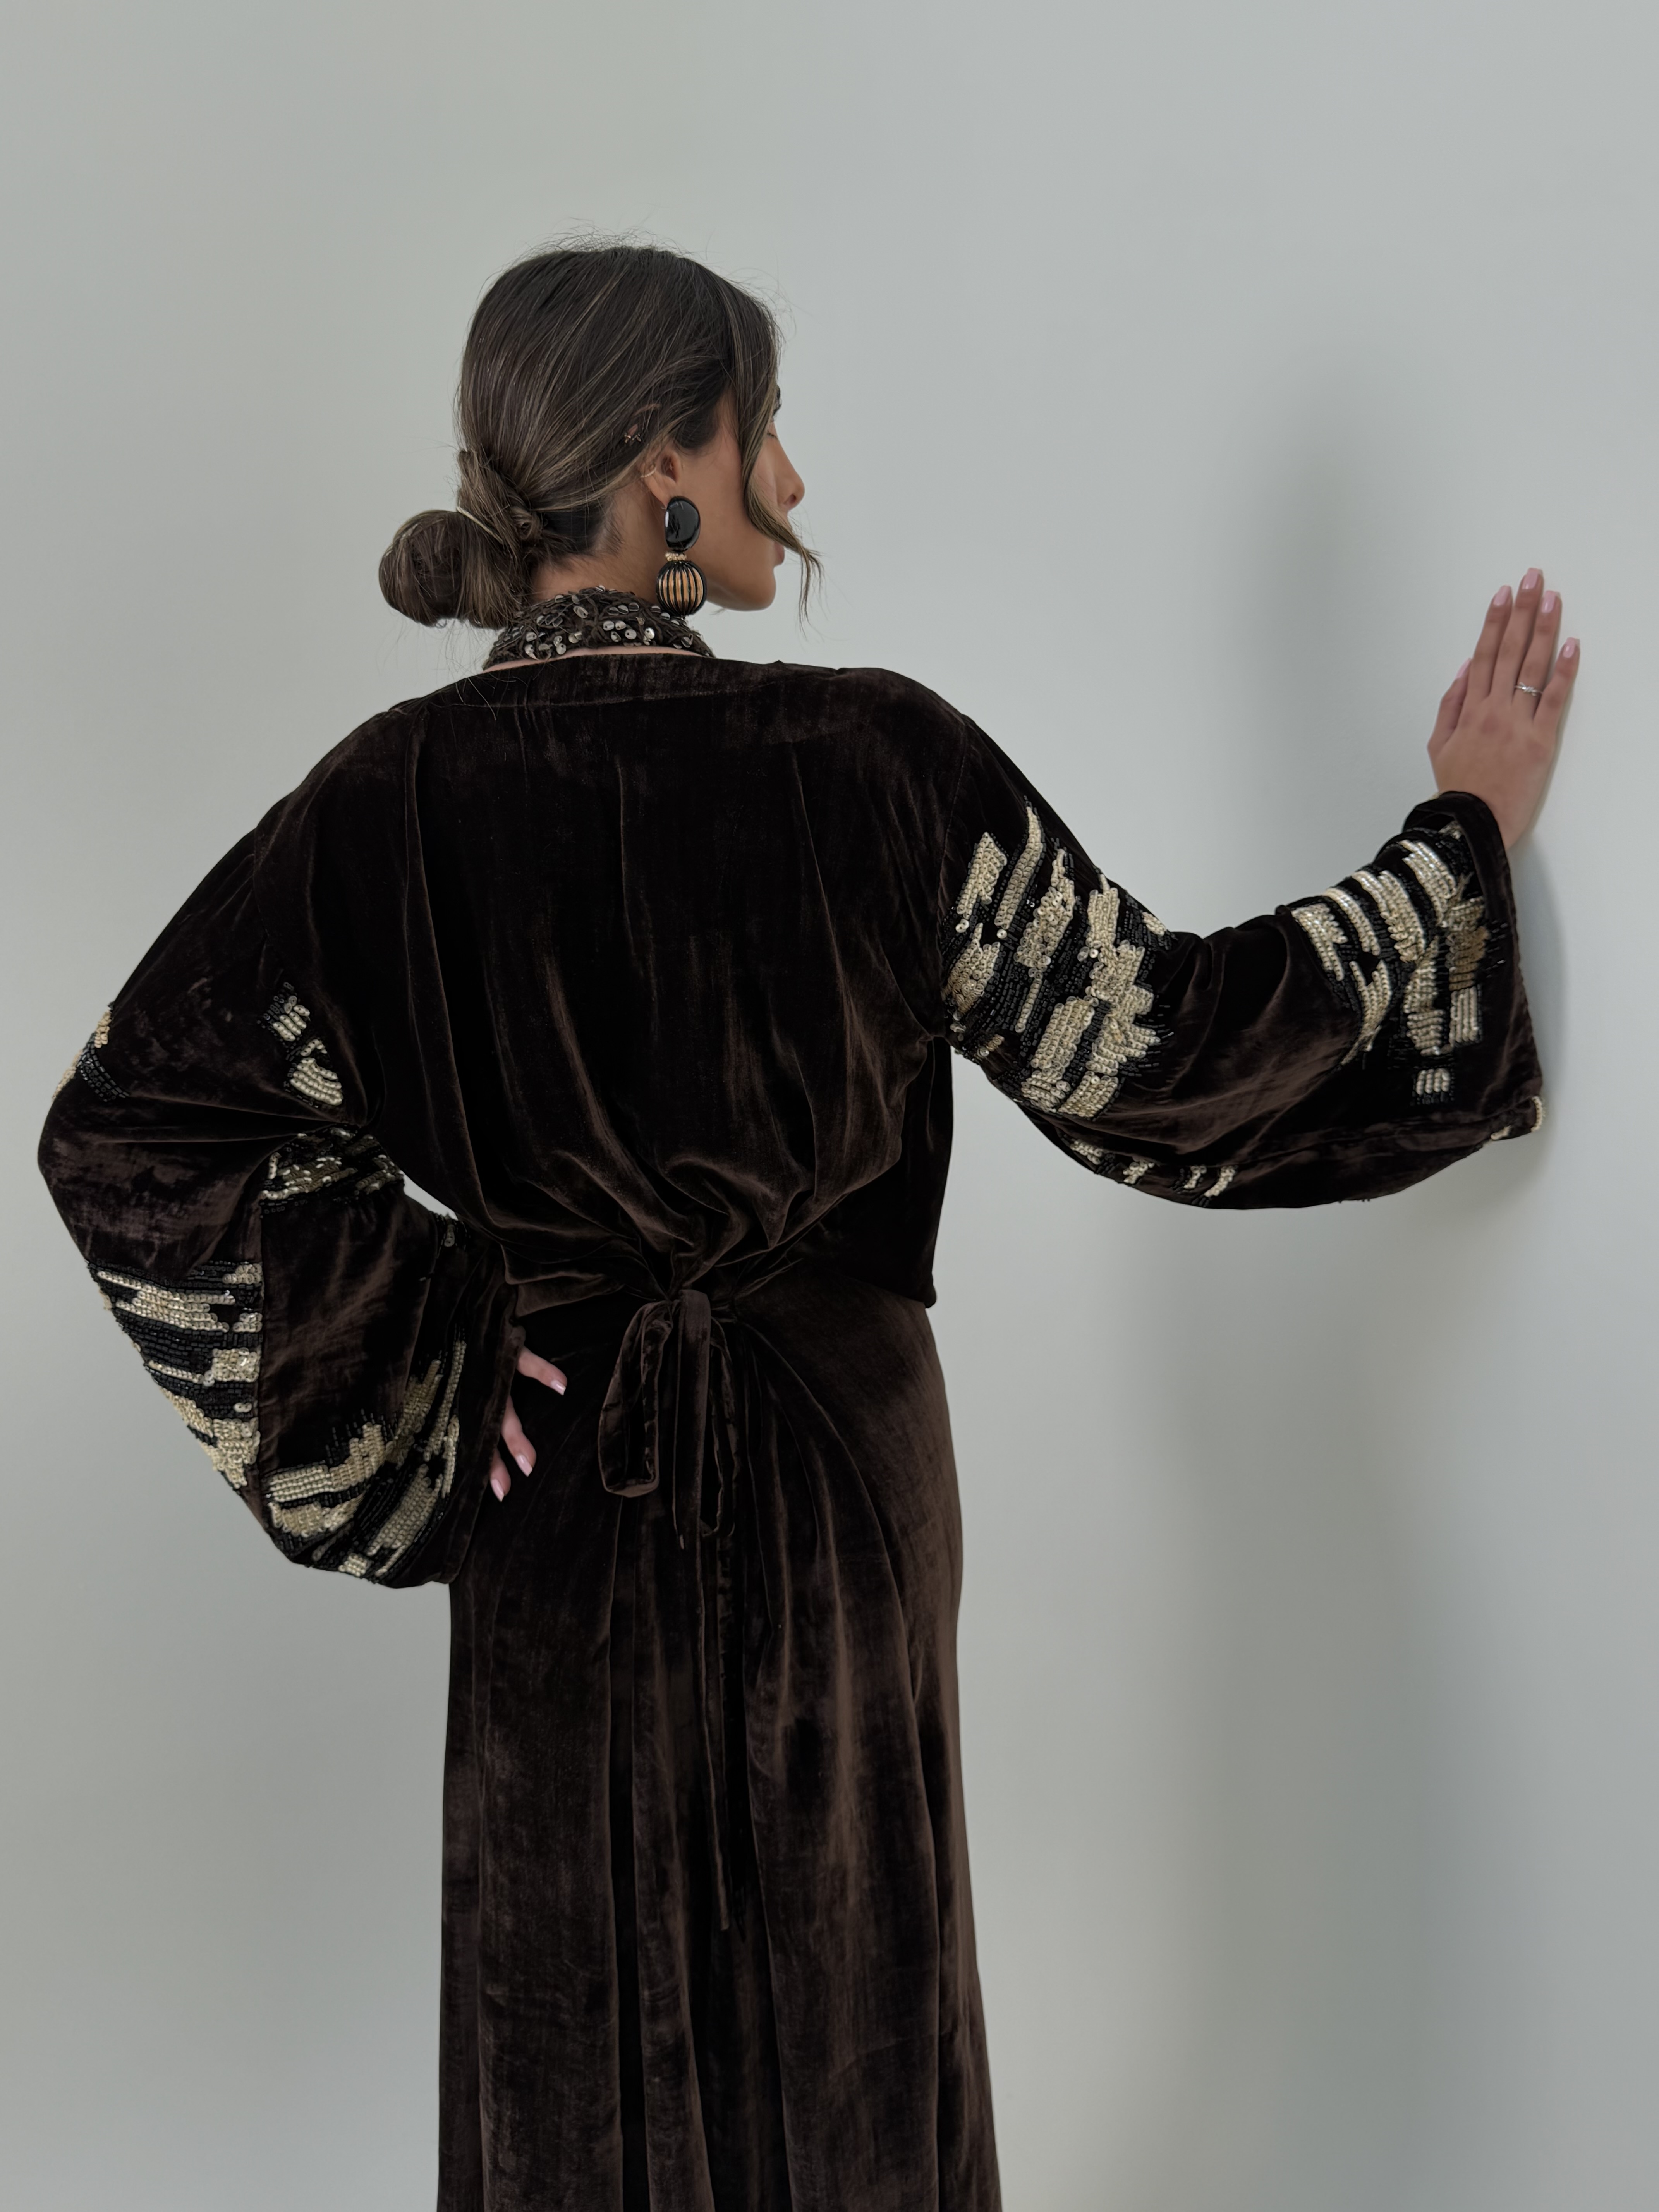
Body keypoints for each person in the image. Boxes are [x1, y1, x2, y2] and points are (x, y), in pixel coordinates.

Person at [38, 241, 1575, 2212]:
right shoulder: (874, 764)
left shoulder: (383, 811)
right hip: (840, 1498)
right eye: (760, 426)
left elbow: (134, 1128)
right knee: (857, 2014)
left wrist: (440, 1352)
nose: (791, 476)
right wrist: (1457, 849)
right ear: (663, 465)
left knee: (569, 2019)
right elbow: (1159, 1053)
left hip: (557, 1508)